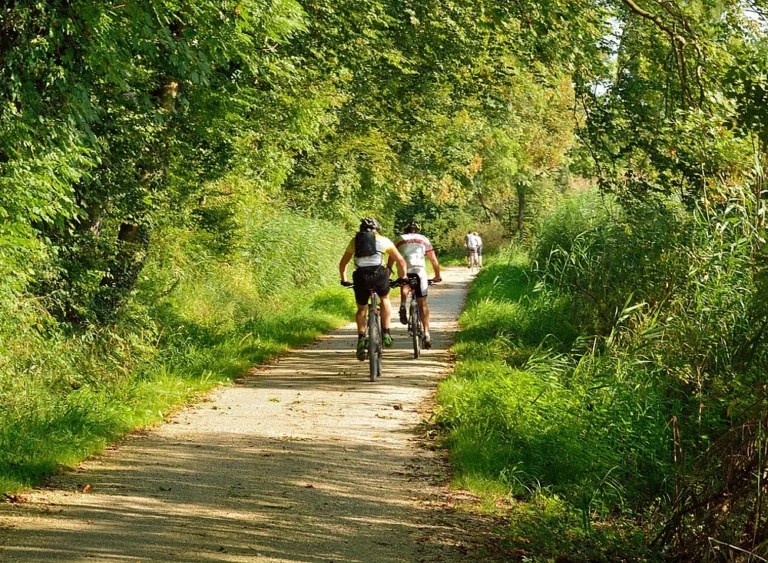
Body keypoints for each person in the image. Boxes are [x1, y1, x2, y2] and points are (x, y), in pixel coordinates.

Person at [339, 217, 407, 361]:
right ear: (378, 229)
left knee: (362, 309)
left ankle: (361, 338)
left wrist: (344, 279)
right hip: (379, 275)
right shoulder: (384, 241)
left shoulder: (355, 241)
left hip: (361, 277)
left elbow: (343, 263)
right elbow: (401, 261)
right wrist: (403, 277)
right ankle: (386, 333)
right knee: (384, 299)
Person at [387, 220, 442, 349]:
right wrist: (437, 276)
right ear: (418, 230)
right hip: (420, 271)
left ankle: (402, 305)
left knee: (404, 283)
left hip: (405, 269)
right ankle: (427, 333)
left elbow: (390, 263)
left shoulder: (398, 239)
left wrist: (387, 278)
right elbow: (433, 260)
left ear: (405, 230)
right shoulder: (424, 239)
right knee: (422, 303)